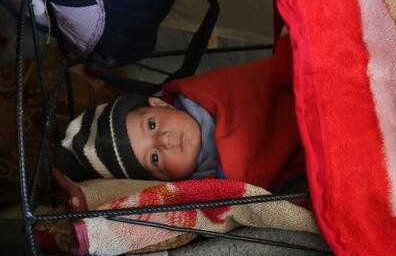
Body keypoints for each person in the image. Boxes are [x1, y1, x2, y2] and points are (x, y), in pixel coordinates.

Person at [55, 57, 305, 191]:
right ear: (164, 181)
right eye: (153, 158)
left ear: (160, 104)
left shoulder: (211, 92)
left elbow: (260, 81)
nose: (164, 140)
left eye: (151, 126)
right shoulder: (208, 189)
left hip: (302, 93)